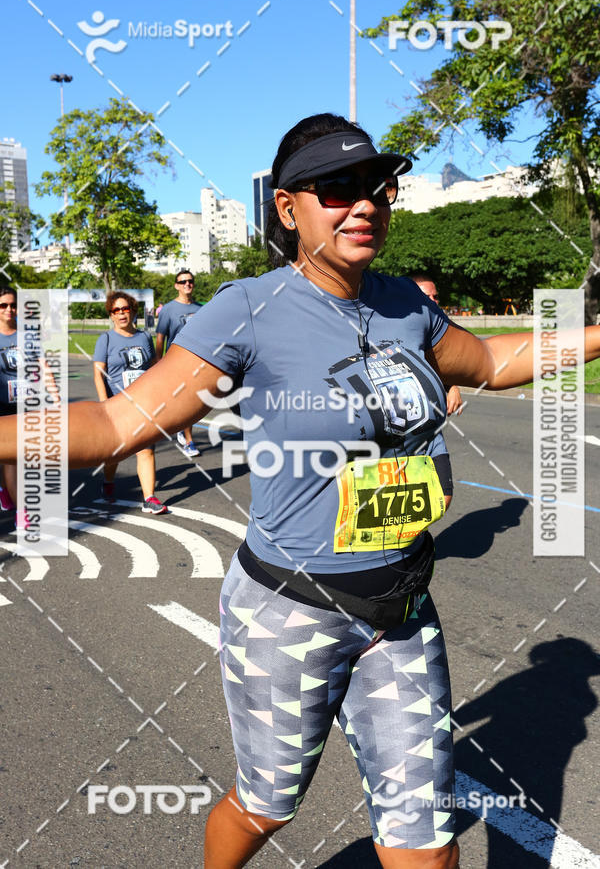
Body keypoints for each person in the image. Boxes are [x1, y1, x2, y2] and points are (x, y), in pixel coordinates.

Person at [0, 114, 598, 868]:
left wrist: (596, 335)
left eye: (377, 186)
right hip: (290, 610)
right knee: (267, 806)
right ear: (287, 208)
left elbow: (490, 361)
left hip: (402, 609)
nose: (365, 203)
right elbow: (122, 421)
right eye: (337, 188)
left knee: (425, 839)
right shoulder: (249, 307)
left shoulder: (406, 304)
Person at [92, 291, 167, 514]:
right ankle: (108, 482)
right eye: (116, 310)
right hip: (117, 405)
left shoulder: (144, 337)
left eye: (125, 309)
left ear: (133, 311)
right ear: (111, 315)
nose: (121, 313)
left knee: (146, 449)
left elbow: (152, 367)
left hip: (143, 403)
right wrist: (104, 404)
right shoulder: (106, 339)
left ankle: (149, 498)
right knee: (115, 452)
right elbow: (98, 374)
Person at [155, 270, 202, 457]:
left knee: (193, 402)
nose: (187, 284)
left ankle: (184, 432)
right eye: (183, 282)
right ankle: (188, 439)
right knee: (184, 402)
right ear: (176, 286)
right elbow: (160, 338)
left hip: (197, 363)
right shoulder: (168, 309)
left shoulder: (201, 308)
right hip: (175, 364)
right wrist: (158, 363)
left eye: (190, 281)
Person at [410, 274, 463, 416]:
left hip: (430, 411)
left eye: (435, 296)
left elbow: (439, 362)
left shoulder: (437, 328)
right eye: (426, 296)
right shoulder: (396, 328)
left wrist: (452, 387)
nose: (433, 301)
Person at [0, 286, 18, 514]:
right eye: (3, 305)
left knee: (14, 457)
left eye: (13, 305)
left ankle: (9, 494)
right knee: (8, 457)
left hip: (24, 406)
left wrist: (54, 396)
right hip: (1, 406)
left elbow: (41, 366)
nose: (9, 309)